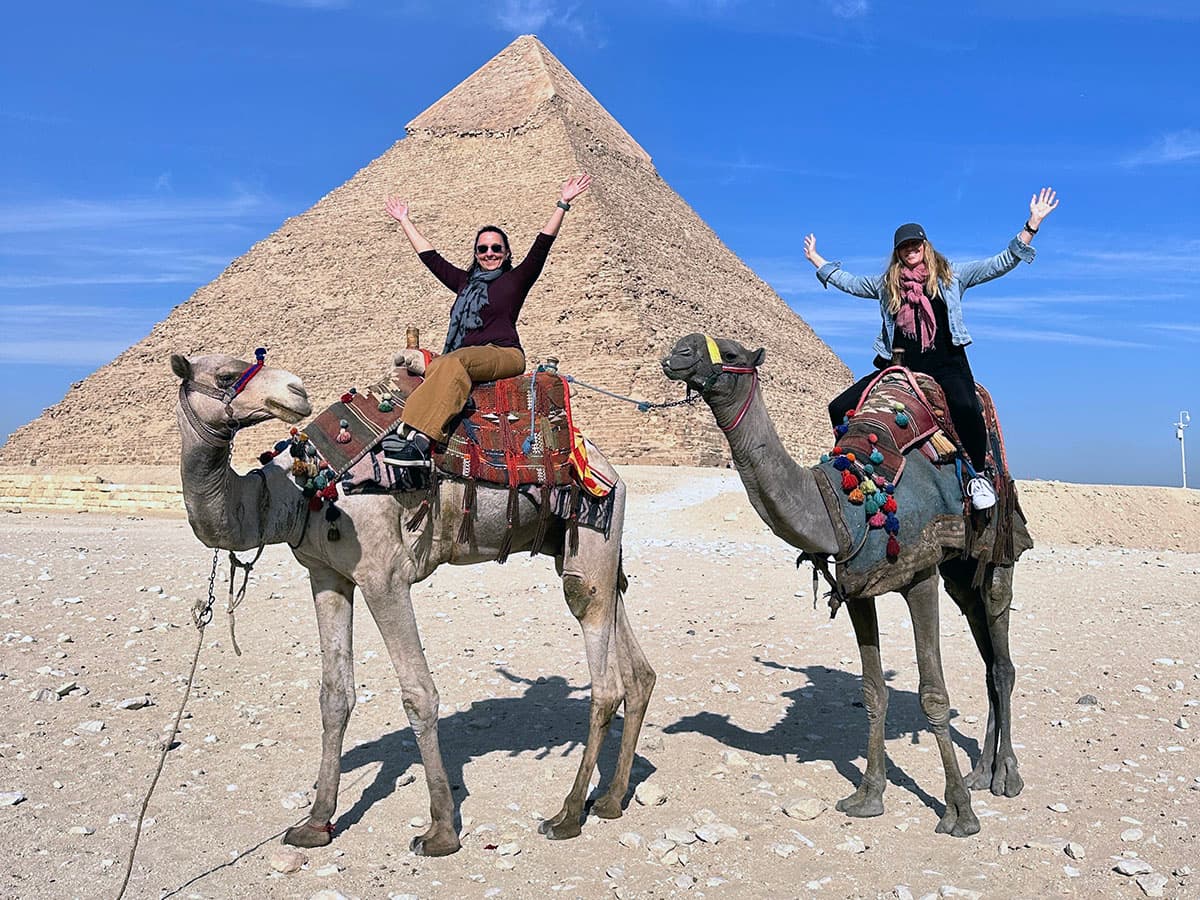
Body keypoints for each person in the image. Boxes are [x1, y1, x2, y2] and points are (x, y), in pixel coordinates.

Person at [803, 187, 1059, 510]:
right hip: (898, 368)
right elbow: (851, 283)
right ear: (898, 252)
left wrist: (1031, 225)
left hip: (947, 363)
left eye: (915, 244)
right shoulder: (887, 285)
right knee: (839, 407)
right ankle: (850, 469)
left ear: (925, 245)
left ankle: (977, 475)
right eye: (904, 246)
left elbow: (1000, 263)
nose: (911, 250)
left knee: (967, 407)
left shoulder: (952, 276)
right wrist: (817, 260)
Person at [381, 173, 592, 467]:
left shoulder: (517, 279)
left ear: (506, 253)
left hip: (505, 354)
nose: (489, 253)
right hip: (467, 356)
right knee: (442, 363)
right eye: (483, 249)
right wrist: (405, 221)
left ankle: (421, 438)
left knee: (454, 361)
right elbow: (431, 258)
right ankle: (405, 426)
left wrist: (563, 203)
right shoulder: (465, 282)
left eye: (496, 248)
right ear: (476, 253)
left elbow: (542, 244)